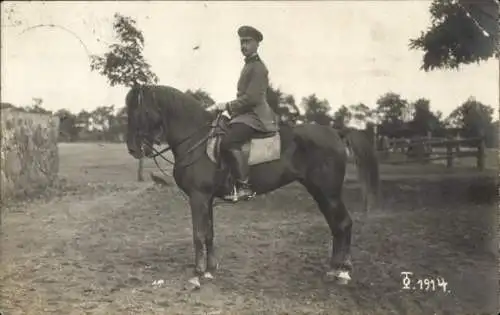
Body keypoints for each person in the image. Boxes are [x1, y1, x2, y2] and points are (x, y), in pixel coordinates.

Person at [207, 25, 278, 202]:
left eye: (247, 42)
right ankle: (226, 181)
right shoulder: (249, 66)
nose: (244, 46)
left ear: (256, 44)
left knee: (229, 142)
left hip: (256, 116)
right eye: (242, 42)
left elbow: (252, 98)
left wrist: (227, 106)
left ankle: (245, 186)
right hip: (245, 115)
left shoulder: (258, 68)